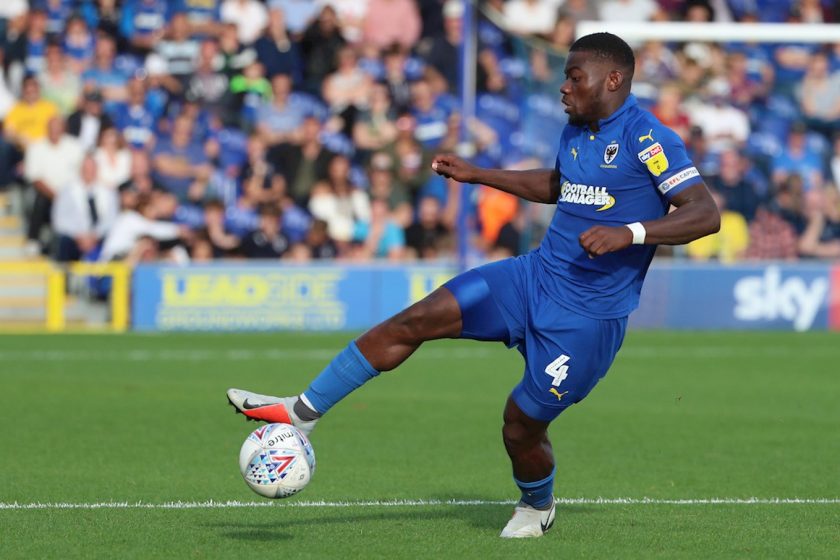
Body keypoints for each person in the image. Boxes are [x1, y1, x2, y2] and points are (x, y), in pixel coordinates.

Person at [227, 33, 719, 538]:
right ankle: (302, 411)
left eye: (575, 77)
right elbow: (559, 184)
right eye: (565, 77)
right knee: (415, 319)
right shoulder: (578, 130)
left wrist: (629, 233)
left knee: (519, 424)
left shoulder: (648, 137)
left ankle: (536, 504)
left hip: (586, 320)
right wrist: (480, 174)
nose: (564, 87)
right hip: (532, 278)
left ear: (613, 79)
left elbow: (705, 213)